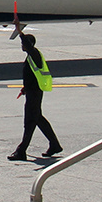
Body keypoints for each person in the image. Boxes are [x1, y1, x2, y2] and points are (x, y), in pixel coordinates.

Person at [9, 32, 63, 161]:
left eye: (23, 44)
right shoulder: (31, 56)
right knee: (38, 119)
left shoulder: (35, 54)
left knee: (30, 122)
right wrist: (25, 88)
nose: (22, 46)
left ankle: (21, 151)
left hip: (35, 93)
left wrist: (19, 31)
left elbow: (29, 46)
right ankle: (55, 145)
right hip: (33, 91)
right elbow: (32, 75)